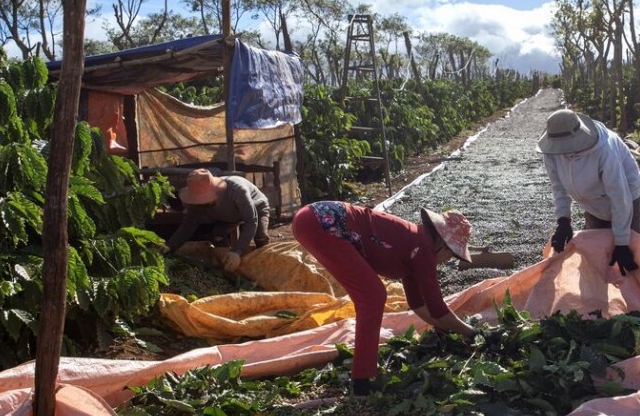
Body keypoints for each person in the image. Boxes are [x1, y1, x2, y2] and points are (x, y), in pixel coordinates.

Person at [291, 201, 478, 396]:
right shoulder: (423, 248)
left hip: (312, 219)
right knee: (373, 296)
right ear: (444, 245)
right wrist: (473, 333)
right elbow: (438, 307)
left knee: (373, 295)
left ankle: (362, 377)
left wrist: (446, 330)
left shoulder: (416, 245)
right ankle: (362, 383)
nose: (448, 260)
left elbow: (418, 304)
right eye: (452, 255)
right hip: (321, 222)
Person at [537, 109, 640, 276]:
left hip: (625, 198)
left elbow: (619, 195)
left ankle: (633, 297)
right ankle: (596, 297)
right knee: (595, 258)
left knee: (629, 259)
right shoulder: (552, 152)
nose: (565, 153)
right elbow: (558, 186)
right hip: (591, 204)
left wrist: (622, 242)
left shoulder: (603, 150)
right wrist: (563, 221)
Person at [164, 169, 270, 272]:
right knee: (218, 236)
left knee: (260, 238)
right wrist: (170, 246)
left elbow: (251, 221)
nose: (202, 201)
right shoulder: (197, 200)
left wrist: (238, 251)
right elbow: (189, 224)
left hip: (257, 207)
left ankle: (266, 268)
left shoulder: (237, 190)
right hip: (227, 217)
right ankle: (228, 266)